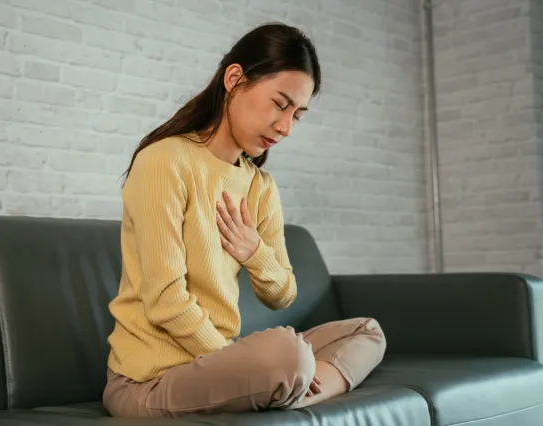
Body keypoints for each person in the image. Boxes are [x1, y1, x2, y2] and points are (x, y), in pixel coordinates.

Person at [102, 22, 386, 419]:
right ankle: (286, 383)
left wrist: (255, 252)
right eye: (280, 103)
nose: (286, 127)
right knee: (286, 357)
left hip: (220, 367)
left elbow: (282, 293)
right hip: (149, 382)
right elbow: (166, 301)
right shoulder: (165, 161)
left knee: (366, 332)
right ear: (235, 79)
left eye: (297, 115)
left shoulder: (260, 187)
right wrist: (238, 360)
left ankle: (290, 389)